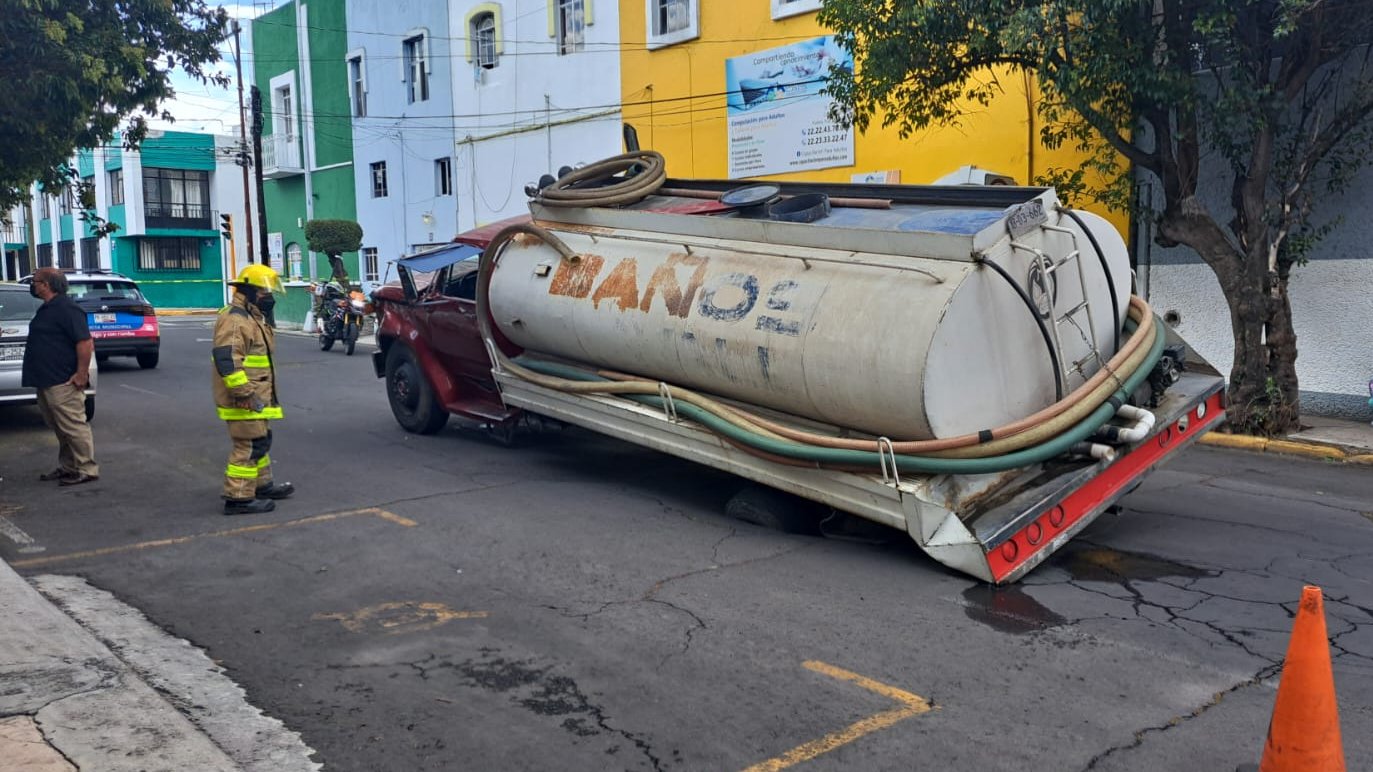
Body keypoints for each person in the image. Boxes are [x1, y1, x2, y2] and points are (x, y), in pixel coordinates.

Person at [212, 264, 294, 515]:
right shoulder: (236, 320)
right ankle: (237, 497)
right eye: (263, 292)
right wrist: (245, 393)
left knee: (261, 440)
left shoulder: (251, 318)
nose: (267, 297)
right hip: (244, 399)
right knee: (249, 445)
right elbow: (227, 360)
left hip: (255, 396)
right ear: (248, 291)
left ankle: (261, 485)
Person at [22, 268, 99, 486]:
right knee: (59, 426)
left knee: (73, 426)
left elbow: (85, 342)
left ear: (46, 285)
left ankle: (86, 468)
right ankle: (69, 466)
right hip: (46, 379)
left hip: (63, 380)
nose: (33, 285)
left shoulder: (67, 309)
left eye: (35, 281)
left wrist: (81, 374)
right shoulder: (47, 309)